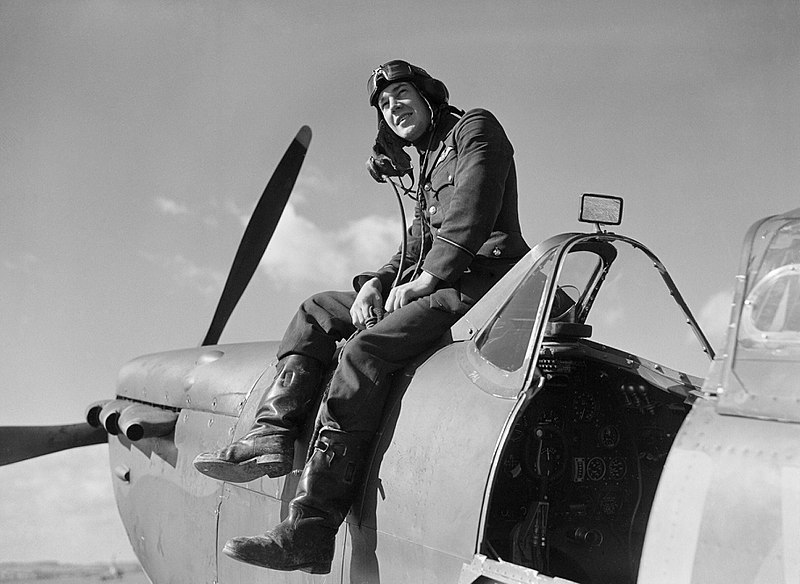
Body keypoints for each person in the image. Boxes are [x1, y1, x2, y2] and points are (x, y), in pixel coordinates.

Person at [192, 59, 531, 574]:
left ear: (427, 95)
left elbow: (475, 206)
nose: (393, 108)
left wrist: (432, 277)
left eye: (400, 95)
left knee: (364, 350)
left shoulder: (475, 129)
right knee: (316, 312)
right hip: (435, 282)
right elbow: (416, 241)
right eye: (384, 104)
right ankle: (273, 434)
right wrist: (375, 281)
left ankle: (310, 529)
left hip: (482, 287)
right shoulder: (427, 161)